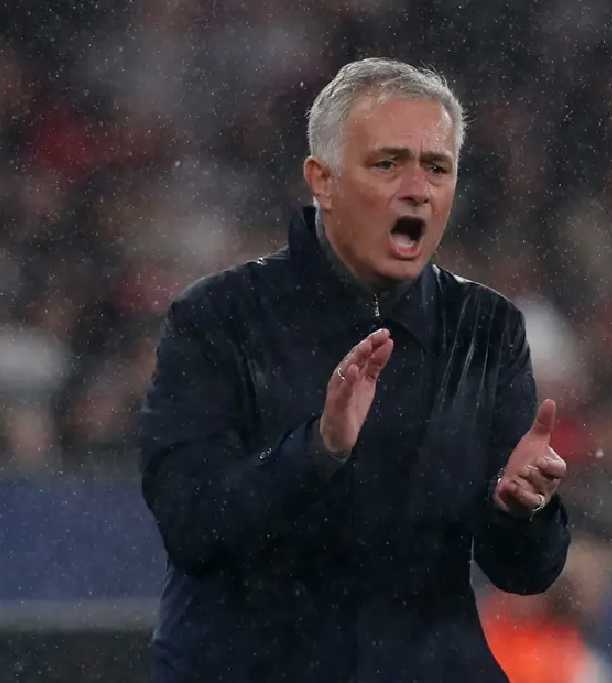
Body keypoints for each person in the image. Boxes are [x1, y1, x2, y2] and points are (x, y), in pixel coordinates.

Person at [138, 58, 571, 683]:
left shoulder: (486, 329)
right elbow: (191, 526)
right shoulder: (218, 319)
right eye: (387, 164)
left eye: (437, 167)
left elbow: (525, 574)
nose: (417, 188)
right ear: (323, 181)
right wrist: (316, 451)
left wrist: (522, 511)